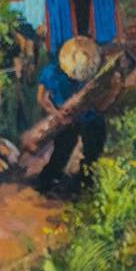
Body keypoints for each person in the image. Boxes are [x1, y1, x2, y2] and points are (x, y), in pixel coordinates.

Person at [34, 35, 106, 195]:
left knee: (94, 149)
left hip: (90, 116)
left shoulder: (91, 70)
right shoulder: (51, 72)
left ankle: (84, 183)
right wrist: (57, 114)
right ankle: (47, 181)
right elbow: (42, 98)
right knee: (62, 149)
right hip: (66, 118)